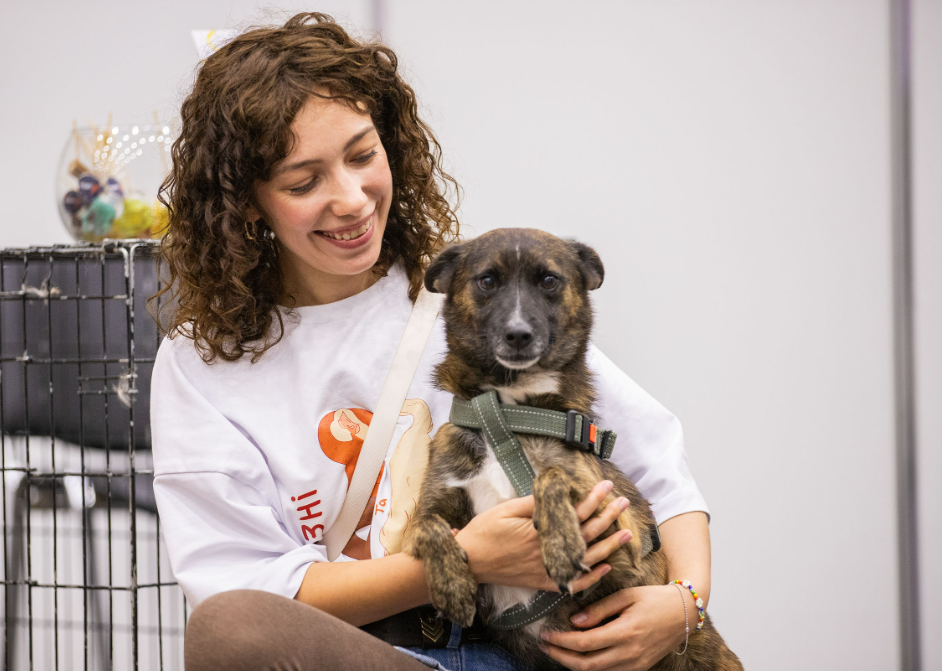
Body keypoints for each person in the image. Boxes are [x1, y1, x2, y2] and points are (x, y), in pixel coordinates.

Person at [151, 12, 711, 671]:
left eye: (363, 155)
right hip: (393, 655)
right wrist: (465, 559)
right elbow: (244, 590)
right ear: (247, 203)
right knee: (233, 628)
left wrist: (682, 604)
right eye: (305, 182)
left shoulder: (467, 297)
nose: (353, 199)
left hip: (553, 647)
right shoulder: (203, 365)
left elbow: (661, 475)